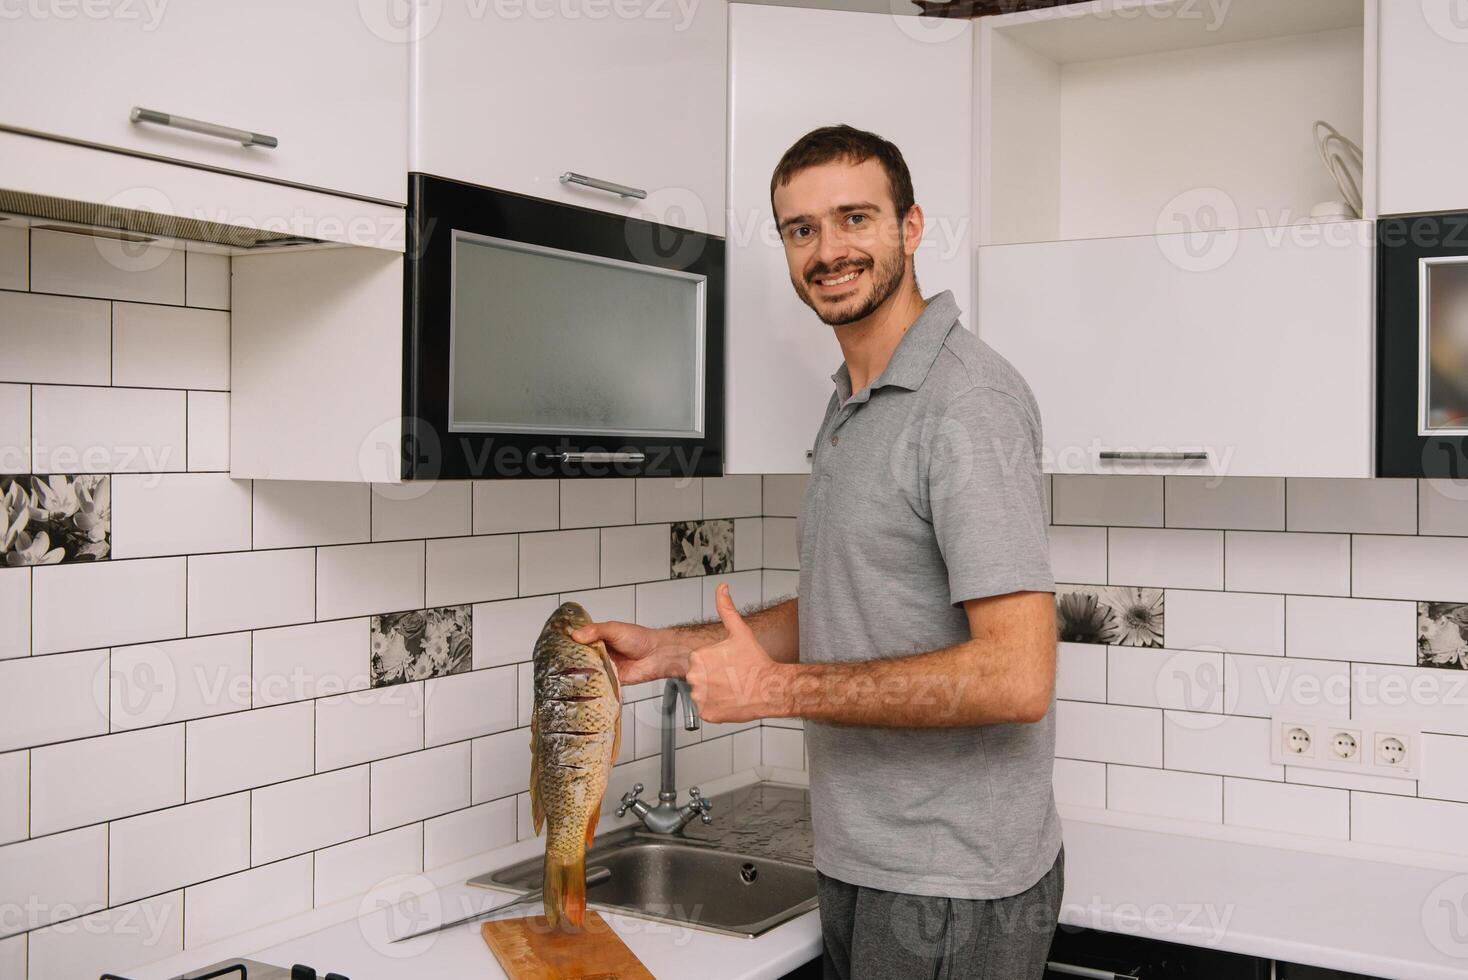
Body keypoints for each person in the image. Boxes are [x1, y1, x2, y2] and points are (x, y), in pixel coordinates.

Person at [572, 124, 1062, 979]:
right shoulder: (854, 402)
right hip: (867, 862)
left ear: (910, 228)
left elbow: (1018, 676)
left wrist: (771, 691)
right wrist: (675, 651)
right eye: (802, 230)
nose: (828, 250)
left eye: (854, 219)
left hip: (949, 888)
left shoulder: (965, 405)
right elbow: (854, 603)